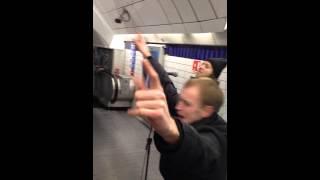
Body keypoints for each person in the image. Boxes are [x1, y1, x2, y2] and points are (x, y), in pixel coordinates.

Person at [128, 59, 227, 180]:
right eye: (181, 100)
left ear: (207, 110)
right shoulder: (194, 116)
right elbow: (169, 88)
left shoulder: (218, 135)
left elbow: (204, 151)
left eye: (186, 103)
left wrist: (174, 134)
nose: (177, 107)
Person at [134, 34, 227, 117]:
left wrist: (148, 55)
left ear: (213, 74)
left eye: (206, 66)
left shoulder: (209, 95)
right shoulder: (195, 85)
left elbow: (172, 97)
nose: (201, 66)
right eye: (202, 63)